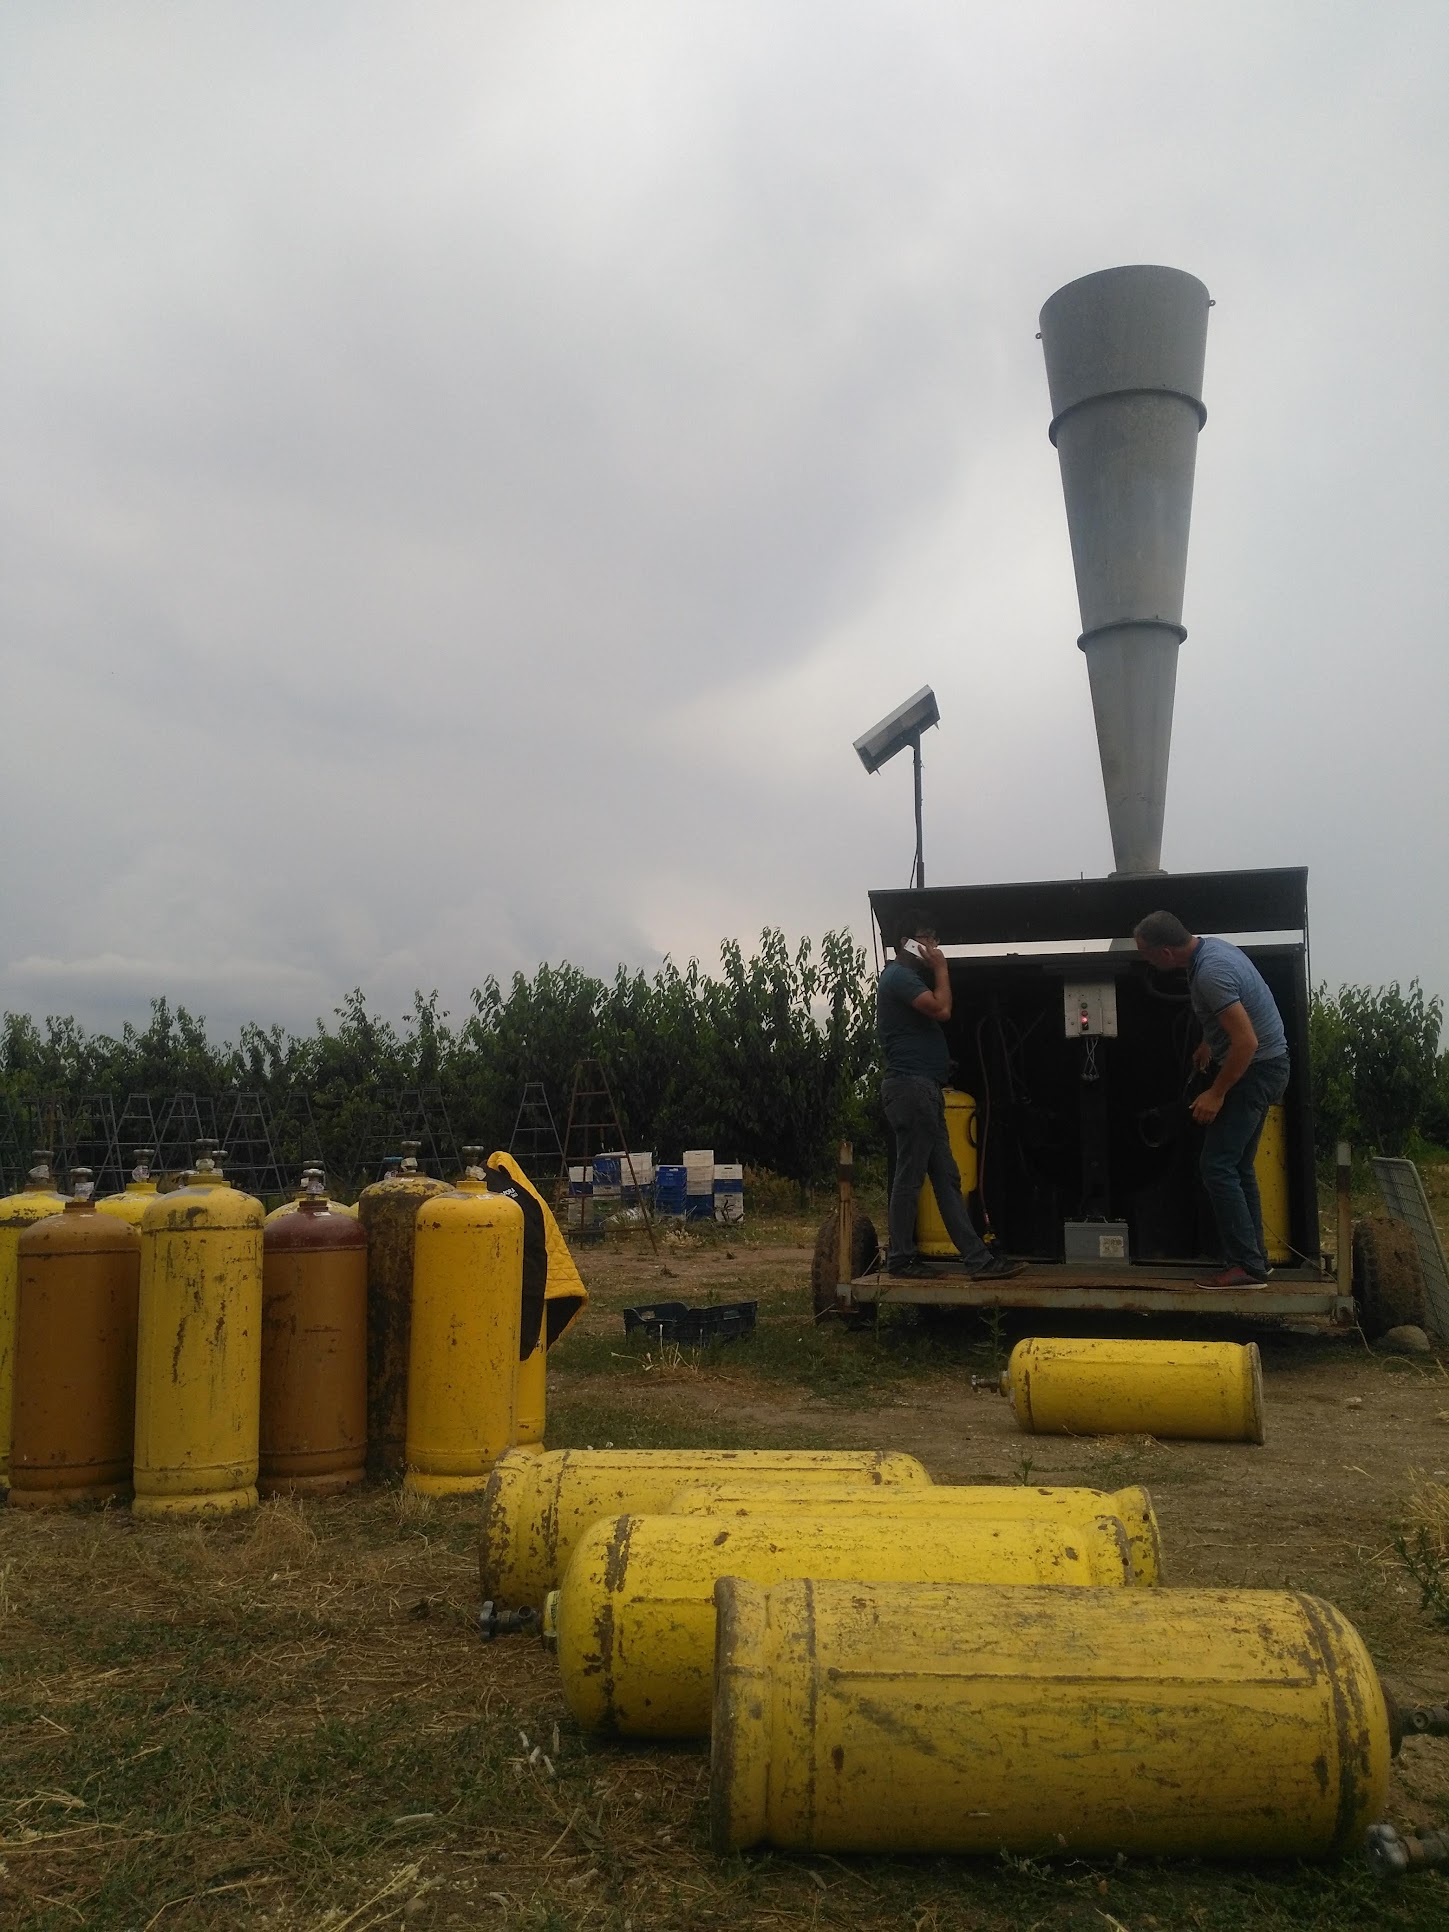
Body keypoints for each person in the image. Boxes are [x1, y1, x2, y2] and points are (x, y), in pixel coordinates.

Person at [1133, 910, 1291, 1287]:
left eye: (1148, 955)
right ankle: (1254, 1260)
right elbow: (1236, 1015)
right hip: (1265, 1065)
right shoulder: (1212, 950)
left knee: (1217, 1166)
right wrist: (1208, 1043)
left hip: (1255, 1071)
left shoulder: (1210, 972)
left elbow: (1247, 1042)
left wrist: (1216, 1093)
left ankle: (1245, 1267)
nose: (1147, 962)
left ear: (1167, 953)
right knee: (1237, 1166)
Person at [878, 930, 1024, 1281]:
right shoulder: (899, 976)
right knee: (910, 1177)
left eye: (936, 941)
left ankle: (978, 1260)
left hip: (923, 1090)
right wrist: (941, 968)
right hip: (912, 1089)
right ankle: (900, 1258)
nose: (933, 947)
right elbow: (942, 1009)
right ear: (907, 942)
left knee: (946, 1177)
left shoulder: (907, 977)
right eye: (927, 940)